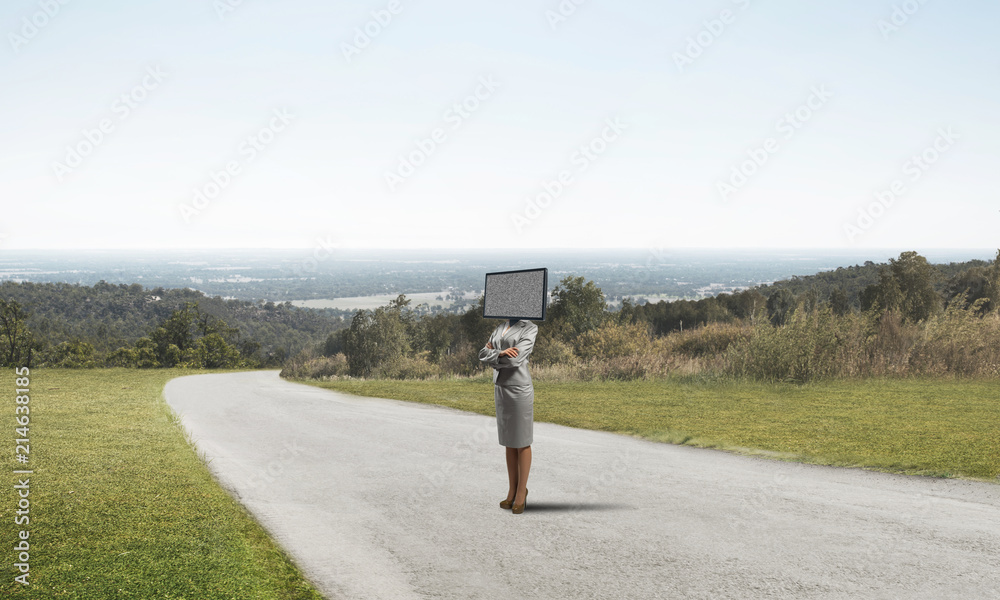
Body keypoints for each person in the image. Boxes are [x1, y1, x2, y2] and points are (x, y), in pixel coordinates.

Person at [479, 317, 538, 514]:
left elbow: (515, 360)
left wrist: (494, 356)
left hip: (519, 389)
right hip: (501, 388)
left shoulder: (529, 328)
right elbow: (481, 353)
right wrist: (500, 353)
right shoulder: (500, 327)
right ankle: (512, 490)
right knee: (508, 440)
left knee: (522, 439)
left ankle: (522, 492)